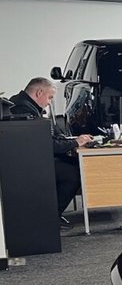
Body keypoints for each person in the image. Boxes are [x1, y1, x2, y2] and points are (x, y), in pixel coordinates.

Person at [8, 77, 91, 223]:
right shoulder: (23, 110)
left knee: (72, 163)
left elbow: (47, 138)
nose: (50, 102)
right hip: (29, 164)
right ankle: (51, 216)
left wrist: (72, 141)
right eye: (50, 97)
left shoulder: (25, 105)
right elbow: (47, 143)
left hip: (33, 158)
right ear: (39, 92)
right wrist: (75, 143)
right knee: (73, 174)